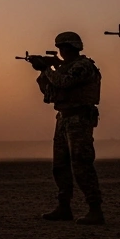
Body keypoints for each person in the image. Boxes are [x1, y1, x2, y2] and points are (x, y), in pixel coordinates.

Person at [31, 31, 104, 224]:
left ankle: (95, 208)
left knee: (81, 163)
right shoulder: (63, 68)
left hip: (79, 118)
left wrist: (48, 68)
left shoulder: (83, 66)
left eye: (63, 48)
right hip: (64, 118)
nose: (61, 51)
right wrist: (42, 72)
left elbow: (64, 82)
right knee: (60, 166)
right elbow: (49, 93)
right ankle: (64, 207)